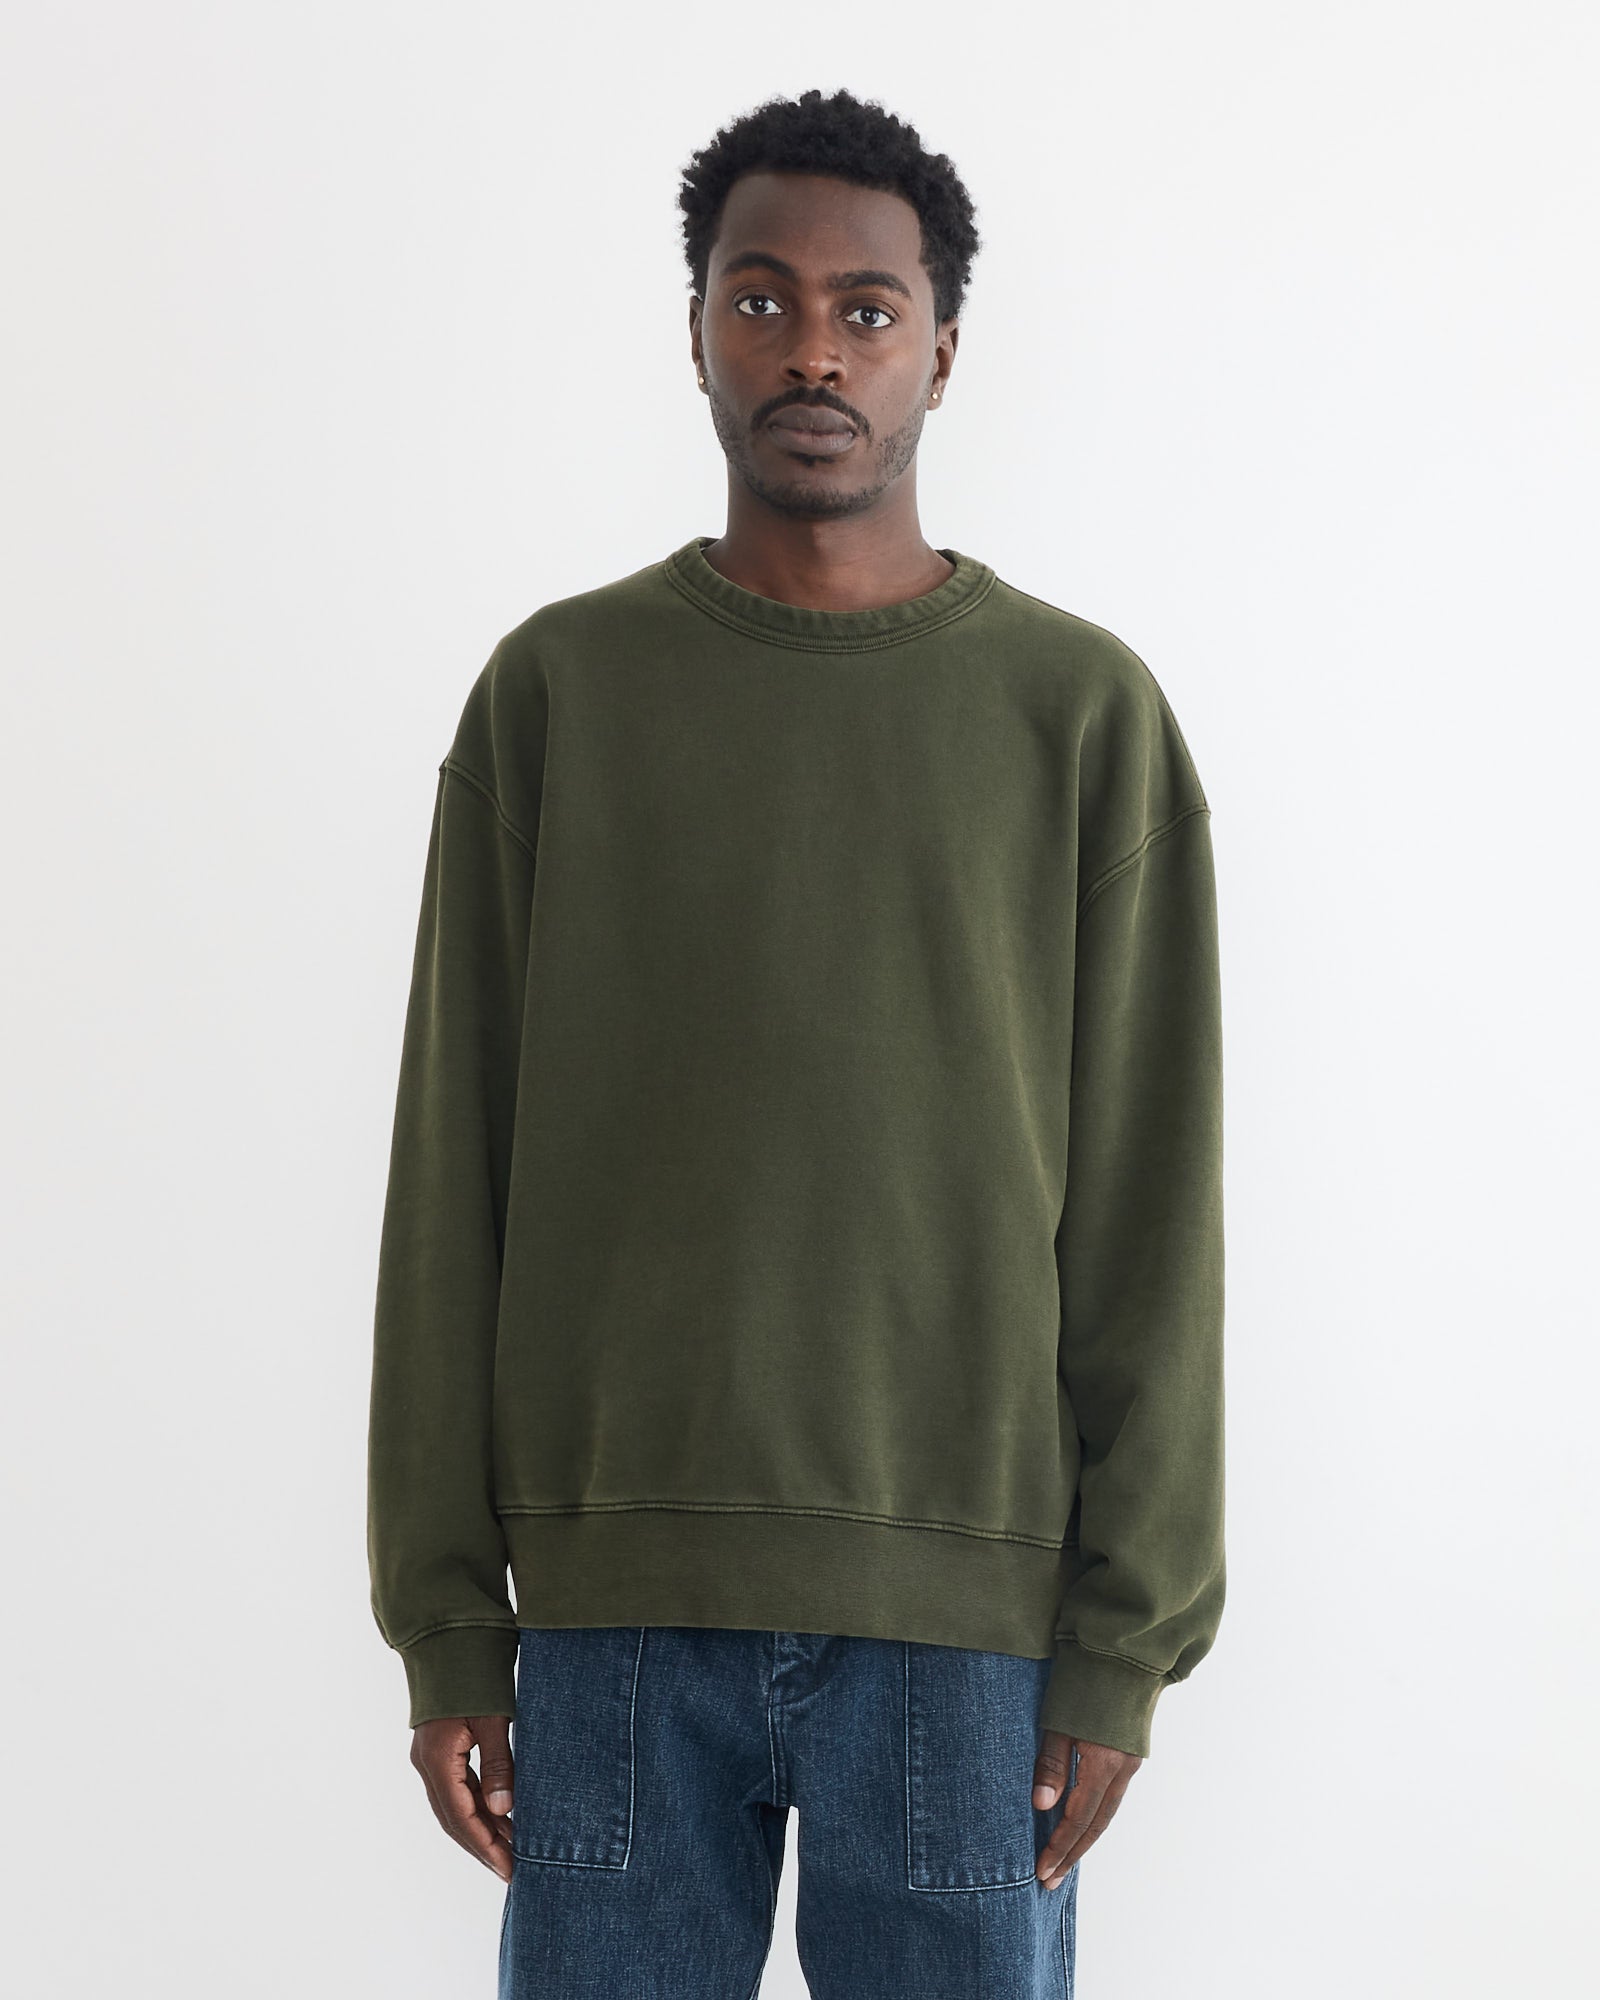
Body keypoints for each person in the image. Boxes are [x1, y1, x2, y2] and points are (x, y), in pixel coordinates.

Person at [366, 85, 1226, 1999]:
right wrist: (443, 1623)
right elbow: (452, 1177)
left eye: (865, 307)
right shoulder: (557, 700)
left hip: (967, 1630)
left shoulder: (1082, 722)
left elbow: (1155, 1217)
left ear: (942, 349)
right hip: (611, 1625)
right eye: (761, 301)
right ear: (694, 332)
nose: (814, 348)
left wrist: (1120, 1642)